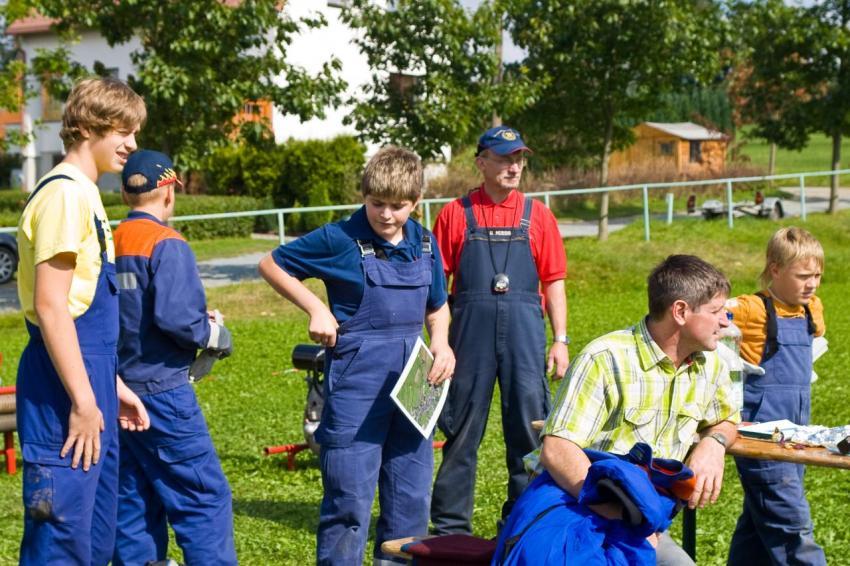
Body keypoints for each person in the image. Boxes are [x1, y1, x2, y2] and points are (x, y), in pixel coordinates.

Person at [258, 146, 455, 566]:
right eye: (377, 203)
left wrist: (441, 342)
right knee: (349, 500)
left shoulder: (424, 242)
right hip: (356, 389)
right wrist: (316, 308)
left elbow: (437, 308)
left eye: (398, 207)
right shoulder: (339, 238)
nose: (386, 215)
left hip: (414, 388)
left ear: (416, 202)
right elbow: (272, 264)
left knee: (410, 500)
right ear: (364, 196)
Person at [14, 76, 149, 564]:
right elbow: (51, 306)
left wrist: (110, 385)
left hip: (89, 382)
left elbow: (77, 306)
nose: (132, 146)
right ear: (91, 127)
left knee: (93, 539)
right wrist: (84, 398)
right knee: (62, 541)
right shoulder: (65, 196)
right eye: (124, 132)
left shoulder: (86, 195)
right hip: (63, 394)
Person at [533, 254, 740, 565]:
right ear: (680, 311)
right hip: (578, 509)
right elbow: (558, 448)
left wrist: (715, 443)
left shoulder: (710, 362)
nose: (726, 321)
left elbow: (725, 418)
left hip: (646, 525)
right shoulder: (605, 358)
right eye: (716, 312)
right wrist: (624, 513)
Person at [430, 126, 568, 534]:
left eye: (519, 158)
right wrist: (440, 343)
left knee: (529, 430)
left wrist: (560, 341)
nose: (514, 166)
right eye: (505, 158)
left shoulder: (538, 215)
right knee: (461, 431)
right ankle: (451, 527)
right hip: (468, 336)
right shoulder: (455, 214)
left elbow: (554, 281)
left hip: (525, 334)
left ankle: (526, 519)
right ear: (481, 163)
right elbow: (438, 287)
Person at [110, 150, 237, 565]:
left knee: (133, 498)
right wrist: (215, 333)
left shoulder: (112, 241)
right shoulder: (166, 243)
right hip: (163, 392)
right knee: (202, 498)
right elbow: (176, 319)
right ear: (167, 191)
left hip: (118, 388)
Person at [727, 227, 827, 566]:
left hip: (797, 434)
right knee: (791, 525)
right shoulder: (752, 309)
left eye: (816, 275)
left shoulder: (812, 309)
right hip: (761, 435)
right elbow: (708, 313)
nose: (811, 284)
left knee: (760, 519)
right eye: (802, 276)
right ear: (775, 270)